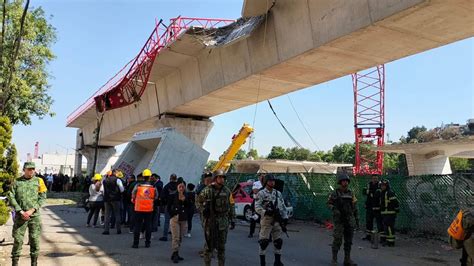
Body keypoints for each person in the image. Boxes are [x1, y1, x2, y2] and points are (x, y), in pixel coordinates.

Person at [8, 162, 47, 266]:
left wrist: (32, 210)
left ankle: (34, 263)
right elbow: (11, 196)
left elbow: (43, 197)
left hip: (34, 216)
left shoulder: (39, 181)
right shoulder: (16, 182)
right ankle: (15, 262)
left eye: (33, 169)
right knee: (18, 240)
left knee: (34, 240)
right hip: (20, 216)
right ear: (24, 170)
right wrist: (20, 211)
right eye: (29, 169)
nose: (31, 171)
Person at [196, 169, 235, 266]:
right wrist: (203, 210)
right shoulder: (208, 190)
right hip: (211, 222)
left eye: (223, 177)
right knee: (209, 246)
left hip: (223, 221)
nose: (222, 179)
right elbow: (198, 201)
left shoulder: (227, 191)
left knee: (221, 247)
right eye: (220, 177)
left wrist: (232, 218)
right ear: (215, 178)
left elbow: (231, 204)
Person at [255, 174, 288, 266]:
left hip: (277, 221)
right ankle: (262, 262)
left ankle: (277, 261)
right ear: (266, 182)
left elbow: (283, 207)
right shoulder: (261, 193)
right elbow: (257, 207)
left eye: (273, 181)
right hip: (266, 220)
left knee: (278, 242)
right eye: (270, 181)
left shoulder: (278, 193)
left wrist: (285, 218)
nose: (272, 182)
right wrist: (265, 212)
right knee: (263, 242)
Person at [327, 173, 358, 266]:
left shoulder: (351, 193)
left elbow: (355, 206)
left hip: (349, 219)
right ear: (340, 182)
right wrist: (334, 209)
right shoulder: (335, 193)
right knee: (337, 239)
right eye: (343, 181)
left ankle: (347, 259)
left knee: (348, 241)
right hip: (339, 220)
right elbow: (328, 203)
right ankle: (334, 259)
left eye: (346, 181)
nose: (345, 183)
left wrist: (357, 219)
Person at [131, 169, 157, 248]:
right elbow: (156, 197)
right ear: (149, 177)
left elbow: (133, 195)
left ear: (142, 177)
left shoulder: (138, 186)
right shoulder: (153, 186)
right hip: (149, 209)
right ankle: (147, 243)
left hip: (138, 208)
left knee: (137, 226)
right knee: (148, 225)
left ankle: (136, 244)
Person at [168, 182, 189, 263]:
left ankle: (175, 253)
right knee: (175, 237)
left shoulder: (187, 195)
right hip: (175, 218)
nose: (181, 188)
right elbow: (168, 206)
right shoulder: (173, 195)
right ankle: (175, 253)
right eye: (180, 186)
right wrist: (172, 214)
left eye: (183, 187)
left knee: (180, 237)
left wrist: (185, 199)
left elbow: (190, 206)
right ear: (177, 187)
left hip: (183, 218)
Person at [102, 169, 125, 235]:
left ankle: (106, 230)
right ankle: (118, 230)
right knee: (117, 214)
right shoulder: (118, 180)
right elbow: (122, 190)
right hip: (116, 199)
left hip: (106, 199)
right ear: (115, 173)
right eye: (118, 172)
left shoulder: (105, 180)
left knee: (107, 215)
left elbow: (103, 191)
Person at [380, 179, 399, 247]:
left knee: (389, 228)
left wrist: (396, 210)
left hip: (390, 213)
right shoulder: (383, 192)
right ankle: (388, 241)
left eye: (384, 185)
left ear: (387, 186)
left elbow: (395, 202)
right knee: (387, 228)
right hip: (385, 213)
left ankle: (391, 242)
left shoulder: (389, 192)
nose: (382, 187)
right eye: (382, 185)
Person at [362, 175, 382, 241]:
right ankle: (368, 236)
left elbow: (378, 194)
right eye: (373, 178)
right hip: (369, 206)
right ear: (371, 179)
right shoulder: (369, 185)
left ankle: (381, 237)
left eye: (376, 178)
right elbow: (364, 192)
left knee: (379, 222)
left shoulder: (380, 185)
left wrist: (371, 192)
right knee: (369, 221)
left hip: (377, 207)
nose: (375, 180)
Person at [160, 173, 178, 241]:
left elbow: (162, 196)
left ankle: (165, 236)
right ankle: (175, 237)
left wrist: (164, 203)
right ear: (176, 178)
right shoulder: (179, 186)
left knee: (167, 221)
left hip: (168, 205)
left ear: (170, 178)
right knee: (176, 221)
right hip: (177, 206)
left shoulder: (167, 186)